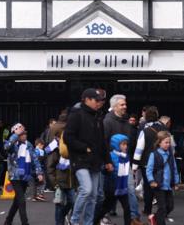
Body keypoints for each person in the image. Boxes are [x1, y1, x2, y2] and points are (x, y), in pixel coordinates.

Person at [65, 88, 113, 225]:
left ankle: (88, 223)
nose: (98, 103)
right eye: (96, 100)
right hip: (80, 160)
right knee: (86, 190)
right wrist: (83, 147)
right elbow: (68, 137)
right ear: (86, 99)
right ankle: (74, 221)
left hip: (95, 161)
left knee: (94, 196)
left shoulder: (98, 116)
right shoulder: (76, 114)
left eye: (100, 101)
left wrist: (108, 160)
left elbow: (103, 141)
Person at [100, 94, 142, 225]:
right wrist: (107, 162)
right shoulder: (107, 121)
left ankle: (134, 218)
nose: (125, 106)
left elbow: (130, 142)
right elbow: (103, 143)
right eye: (122, 104)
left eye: (125, 104)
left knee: (129, 189)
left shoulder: (127, 121)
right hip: (111, 163)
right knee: (109, 194)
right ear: (114, 107)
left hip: (125, 162)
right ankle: (101, 217)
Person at [4, 123, 43, 225]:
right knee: (22, 200)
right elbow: (6, 147)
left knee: (17, 201)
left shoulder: (29, 145)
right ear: (16, 135)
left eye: (25, 133)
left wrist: (39, 172)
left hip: (25, 176)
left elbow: (35, 159)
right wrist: (15, 135)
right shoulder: (12, 145)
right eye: (21, 134)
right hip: (15, 176)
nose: (24, 135)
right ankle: (25, 223)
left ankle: (8, 221)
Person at [133, 106, 167, 215]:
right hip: (162, 161)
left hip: (146, 163)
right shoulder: (164, 128)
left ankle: (147, 209)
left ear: (146, 116)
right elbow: (170, 145)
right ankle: (163, 209)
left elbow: (139, 148)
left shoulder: (144, 129)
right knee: (161, 184)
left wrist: (134, 166)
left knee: (148, 187)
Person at [46, 112, 75, 225]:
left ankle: (63, 218)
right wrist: (54, 183)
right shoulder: (54, 148)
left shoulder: (70, 146)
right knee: (60, 204)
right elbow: (50, 166)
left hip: (71, 178)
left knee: (73, 202)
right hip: (60, 179)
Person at [96, 134, 132, 225]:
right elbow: (103, 169)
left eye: (126, 144)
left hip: (122, 187)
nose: (126, 146)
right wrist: (106, 168)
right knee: (106, 207)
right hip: (112, 187)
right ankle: (94, 221)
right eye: (123, 144)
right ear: (116, 144)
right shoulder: (110, 156)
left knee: (127, 207)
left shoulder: (125, 156)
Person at [146, 131, 180, 225]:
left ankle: (154, 217)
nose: (168, 144)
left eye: (169, 142)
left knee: (170, 206)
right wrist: (151, 181)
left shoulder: (170, 155)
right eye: (166, 142)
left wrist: (176, 182)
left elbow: (174, 168)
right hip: (158, 184)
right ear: (159, 142)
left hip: (168, 185)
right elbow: (149, 170)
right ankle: (159, 222)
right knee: (162, 207)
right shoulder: (154, 154)